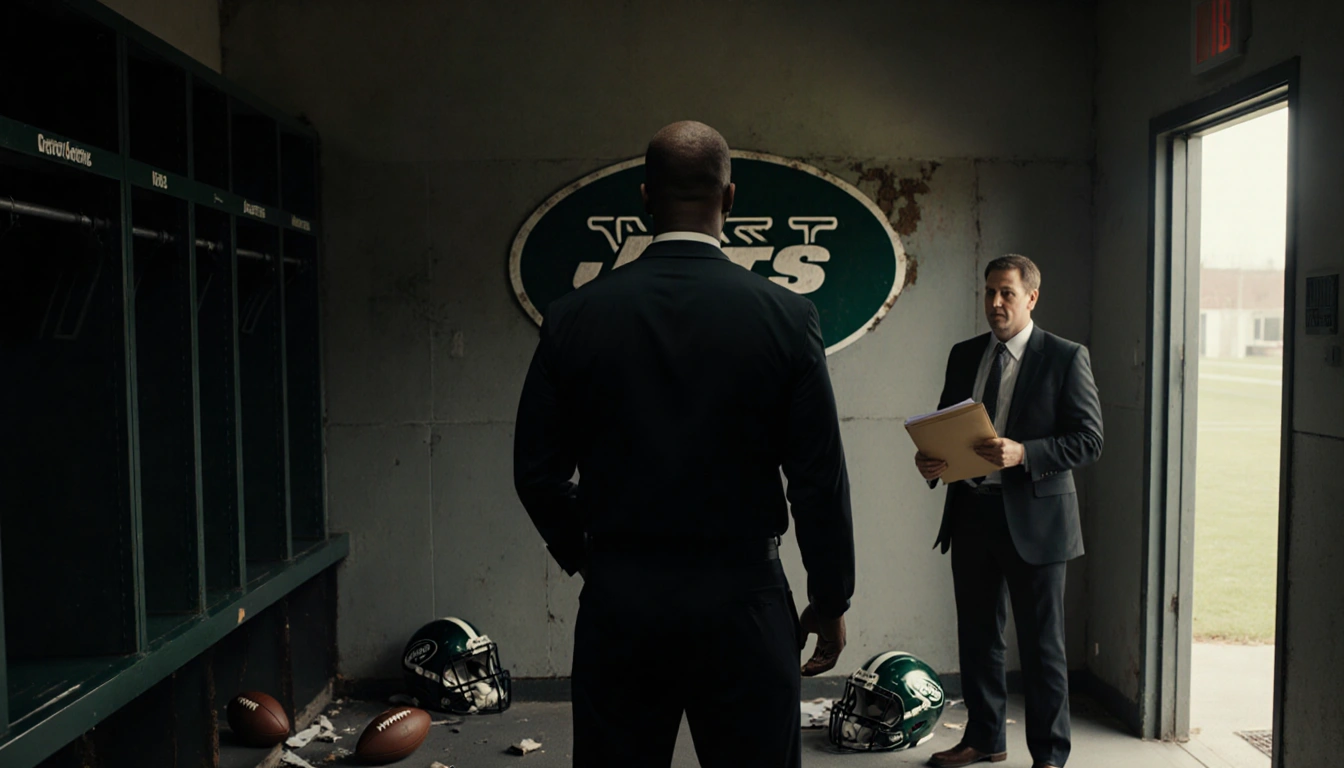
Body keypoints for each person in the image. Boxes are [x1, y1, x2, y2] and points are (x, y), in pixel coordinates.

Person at [513, 121, 855, 767]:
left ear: (645, 197)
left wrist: (590, 559)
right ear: (729, 198)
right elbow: (817, 479)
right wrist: (831, 597)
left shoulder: (573, 318)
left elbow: (537, 473)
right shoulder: (787, 317)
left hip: (621, 600)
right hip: (744, 600)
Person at [914, 255, 1102, 768]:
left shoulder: (1065, 357)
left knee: (1043, 649)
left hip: (1037, 521)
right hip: (972, 512)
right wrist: (929, 460)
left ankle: (1049, 756)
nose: (995, 303)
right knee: (978, 640)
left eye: (1007, 294)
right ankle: (985, 739)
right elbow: (945, 427)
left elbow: (1089, 440)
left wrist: (1026, 453)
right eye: (989, 292)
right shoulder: (964, 355)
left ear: (1032, 298)